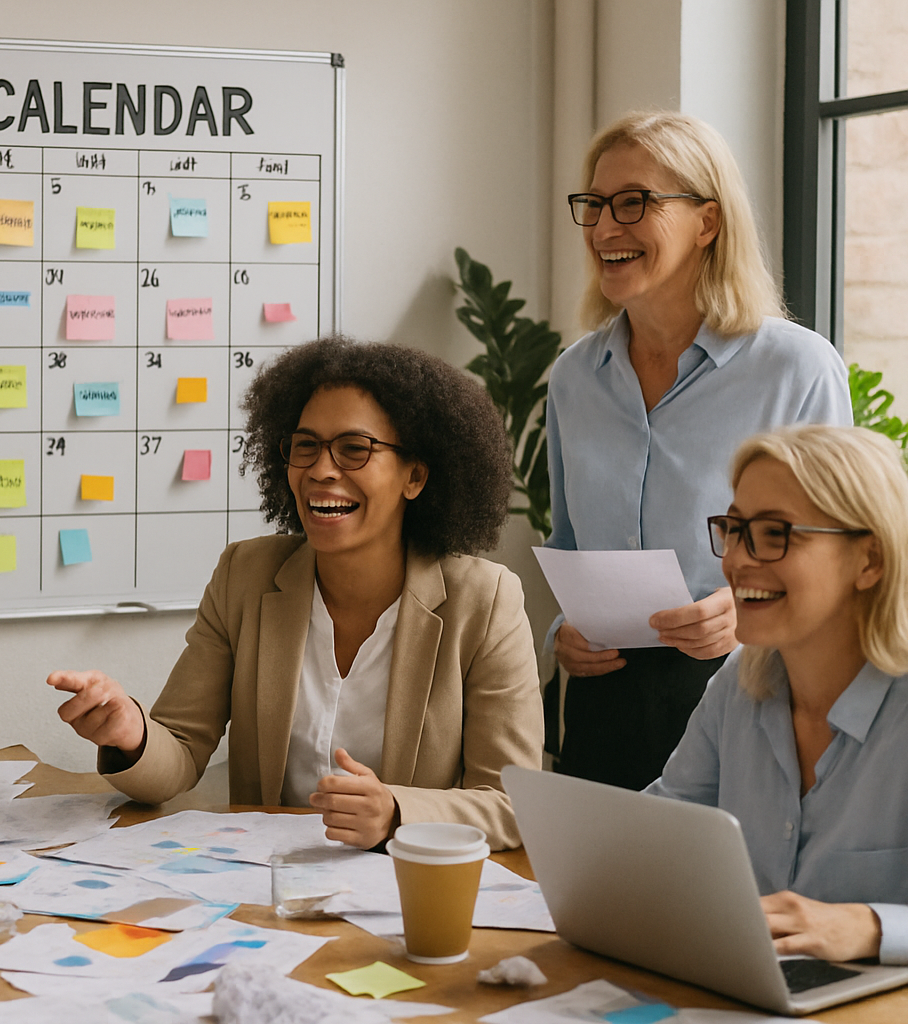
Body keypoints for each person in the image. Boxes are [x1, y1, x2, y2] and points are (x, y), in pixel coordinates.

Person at [48, 337, 544, 851]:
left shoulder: (485, 602)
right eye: (305, 445)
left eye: (355, 449)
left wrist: (397, 813)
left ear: (414, 476)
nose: (322, 470)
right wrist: (132, 732)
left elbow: (512, 803)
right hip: (264, 888)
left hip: (405, 892)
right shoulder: (245, 574)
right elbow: (180, 752)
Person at [543, 110, 851, 790]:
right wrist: (562, 631)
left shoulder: (797, 370)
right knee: (584, 894)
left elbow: (840, 556)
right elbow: (568, 543)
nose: (603, 229)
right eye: (594, 206)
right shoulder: (572, 378)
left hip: (747, 691)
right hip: (603, 704)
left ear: (707, 221)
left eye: (633, 203)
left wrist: (744, 616)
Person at [648, 425, 908, 963]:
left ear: (871, 561)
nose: (738, 560)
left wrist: (872, 927)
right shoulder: (740, 683)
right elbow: (660, 834)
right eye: (736, 529)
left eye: (775, 534)